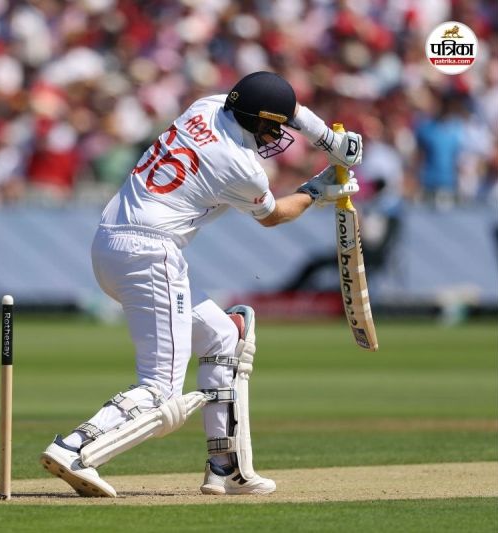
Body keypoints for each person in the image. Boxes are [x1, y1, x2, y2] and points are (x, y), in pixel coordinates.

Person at [40, 71, 362, 497]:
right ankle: (75, 448)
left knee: (225, 337)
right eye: (271, 126)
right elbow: (274, 216)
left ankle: (226, 467)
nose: (277, 133)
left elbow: (291, 109)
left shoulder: (208, 105)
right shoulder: (240, 166)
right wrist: (317, 190)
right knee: (161, 391)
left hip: (114, 241)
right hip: (150, 253)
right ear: (252, 118)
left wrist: (332, 144)